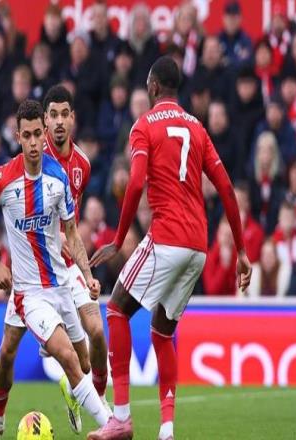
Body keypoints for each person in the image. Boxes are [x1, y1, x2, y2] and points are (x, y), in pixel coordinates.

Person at [87, 56, 252, 440]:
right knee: (162, 332)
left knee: (116, 310)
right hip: (197, 246)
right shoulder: (198, 128)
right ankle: (166, 430)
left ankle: (121, 418)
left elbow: (135, 183)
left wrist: (118, 239)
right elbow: (226, 189)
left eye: (148, 84)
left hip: (166, 236)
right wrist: (242, 251)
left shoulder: (144, 125)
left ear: (154, 86)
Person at [0, 86, 110, 439]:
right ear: (18, 136)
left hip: (61, 282)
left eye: (39, 134)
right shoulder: (3, 179)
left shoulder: (59, 177)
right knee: (12, 353)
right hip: (27, 291)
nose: (34, 142)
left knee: (82, 360)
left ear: (44, 132)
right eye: (28, 135)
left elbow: (72, 233)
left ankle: (86, 403)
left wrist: (87, 274)